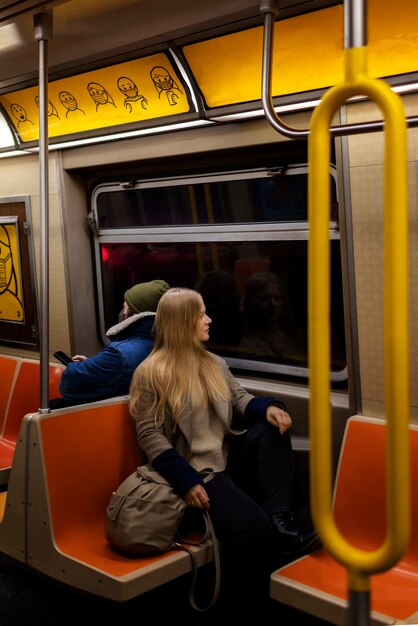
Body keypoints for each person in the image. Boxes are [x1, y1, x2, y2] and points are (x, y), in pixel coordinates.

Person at [129, 287, 318, 615]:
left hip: (226, 457)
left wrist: (268, 408)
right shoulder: (151, 373)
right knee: (252, 531)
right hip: (196, 471)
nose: (209, 319)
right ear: (183, 321)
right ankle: (243, 598)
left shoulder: (213, 362)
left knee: (271, 430)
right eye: (202, 313)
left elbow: (239, 399)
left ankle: (280, 520)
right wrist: (186, 481)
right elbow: (150, 435)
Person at [50, 279, 170, 408]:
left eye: (125, 307)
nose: (122, 312)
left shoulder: (119, 354)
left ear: (130, 313)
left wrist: (75, 367)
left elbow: (69, 383)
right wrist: (94, 364)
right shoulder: (168, 344)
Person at [240, 271, 307, 364]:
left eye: (277, 298)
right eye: (265, 299)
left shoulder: (298, 334)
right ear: (252, 303)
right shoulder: (251, 348)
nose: (273, 304)